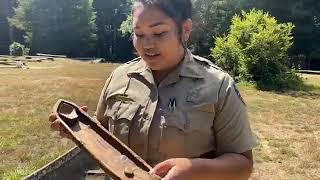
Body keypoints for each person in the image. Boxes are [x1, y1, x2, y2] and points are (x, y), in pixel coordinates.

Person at [49, 0, 257, 179]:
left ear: (185, 30)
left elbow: (243, 165)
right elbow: (105, 138)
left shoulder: (219, 85)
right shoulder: (119, 77)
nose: (147, 45)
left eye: (159, 33)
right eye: (139, 34)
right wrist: (81, 131)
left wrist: (194, 169)